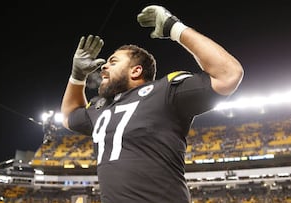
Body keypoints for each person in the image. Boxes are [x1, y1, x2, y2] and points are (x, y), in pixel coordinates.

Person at [60, 5, 243, 203]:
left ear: (136, 71)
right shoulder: (100, 106)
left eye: (113, 62)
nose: (104, 65)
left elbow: (229, 74)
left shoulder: (163, 91)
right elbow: (69, 116)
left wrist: (174, 28)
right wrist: (77, 77)